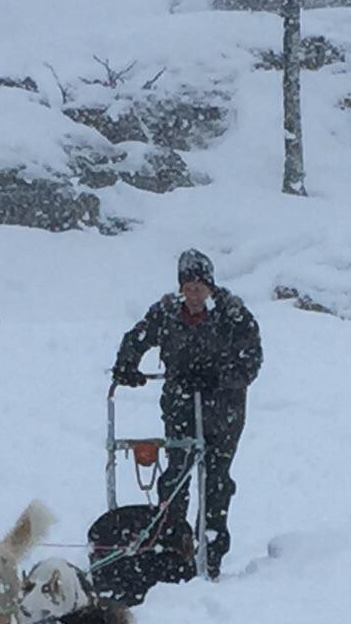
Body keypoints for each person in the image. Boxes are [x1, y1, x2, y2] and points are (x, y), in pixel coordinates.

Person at [111, 246, 263, 575]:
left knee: (215, 482)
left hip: (224, 414)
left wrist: (217, 378)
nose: (193, 295)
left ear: (211, 287)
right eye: (188, 288)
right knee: (175, 478)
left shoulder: (232, 314)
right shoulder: (166, 312)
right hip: (180, 407)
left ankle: (210, 552)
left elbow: (251, 360)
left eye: (199, 288)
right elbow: (137, 337)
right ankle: (174, 546)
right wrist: (126, 365)